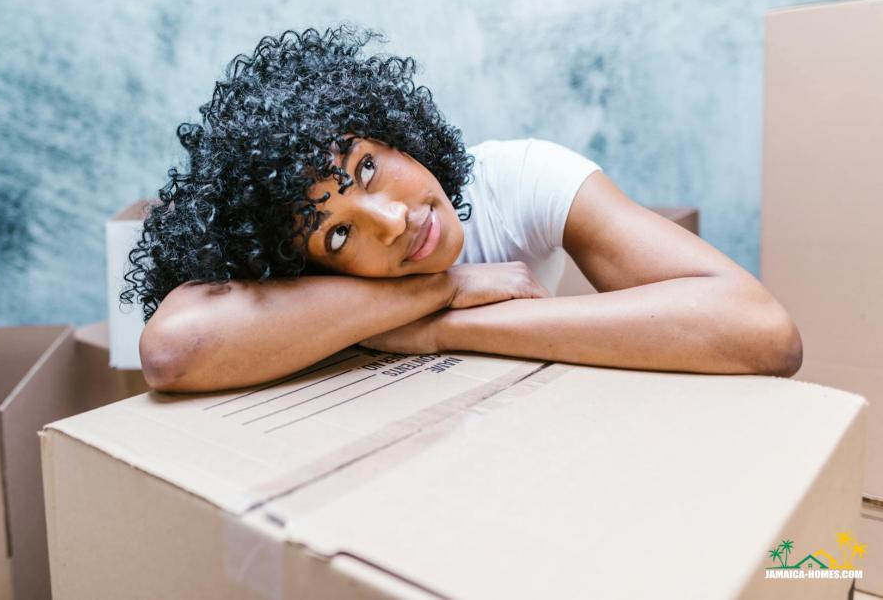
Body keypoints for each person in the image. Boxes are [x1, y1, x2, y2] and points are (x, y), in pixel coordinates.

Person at [122, 24, 802, 393]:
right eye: (335, 236)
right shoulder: (287, 282)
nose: (392, 221)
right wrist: (448, 286)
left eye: (366, 167)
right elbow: (173, 351)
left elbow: (762, 333)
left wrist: (441, 328)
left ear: (393, 131)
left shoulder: (519, 177)